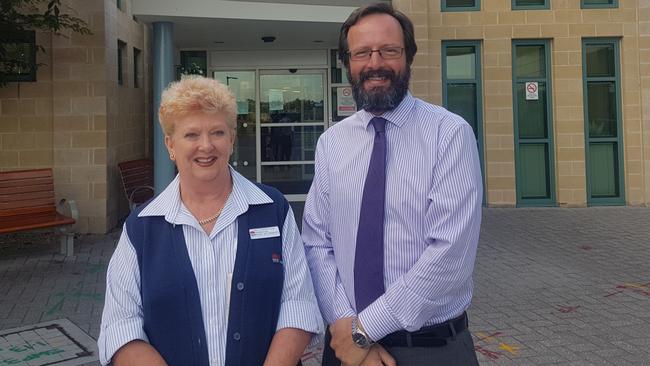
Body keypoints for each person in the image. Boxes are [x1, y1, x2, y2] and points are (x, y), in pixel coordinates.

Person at [302, 3, 482, 365]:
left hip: (430, 350)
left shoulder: (449, 135)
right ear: (348, 63)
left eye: (389, 51)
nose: (375, 63)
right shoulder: (331, 143)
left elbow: (449, 256)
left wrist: (363, 329)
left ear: (408, 57)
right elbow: (316, 241)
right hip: (345, 347)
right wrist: (346, 327)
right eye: (362, 53)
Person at [98, 76, 323, 366]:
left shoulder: (273, 209)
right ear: (170, 145)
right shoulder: (142, 228)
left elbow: (298, 305)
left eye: (217, 132)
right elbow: (121, 327)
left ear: (231, 139)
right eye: (191, 135)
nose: (206, 146)